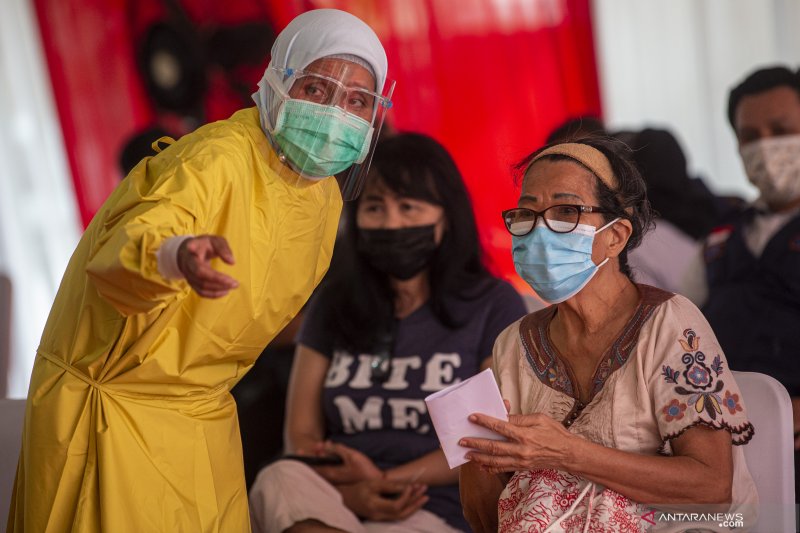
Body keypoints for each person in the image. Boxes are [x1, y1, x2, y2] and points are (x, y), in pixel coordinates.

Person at [7, 9, 393, 533]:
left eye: (357, 101)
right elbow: (130, 242)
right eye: (318, 89)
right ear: (278, 84)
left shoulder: (322, 198)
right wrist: (176, 256)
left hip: (203, 415)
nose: (336, 113)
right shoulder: (218, 157)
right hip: (119, 412)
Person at [458, 138, 757, 532]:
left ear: (616, 237)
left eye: (566, 211)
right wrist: (476, 457)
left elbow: (712, 487)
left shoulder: (671, 325)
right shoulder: (513, 344)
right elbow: (488, 517)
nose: (540, 230)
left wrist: (567, 454)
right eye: (526, 213)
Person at [248, 133, 527, 533]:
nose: (391, 222)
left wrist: (384, 482)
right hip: (338, 493)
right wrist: (349, 494)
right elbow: (301, 433)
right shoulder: (334, 303)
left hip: (434, 502)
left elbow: (486, 439)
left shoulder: (493, 303)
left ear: (445, 216)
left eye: (408, 207)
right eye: (375, 207)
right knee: (276, 480)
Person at [699, 64, 800, 498]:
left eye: (781, 130)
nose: (766, 147)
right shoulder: (721, 236)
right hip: (724, 443)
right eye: (750, 137)